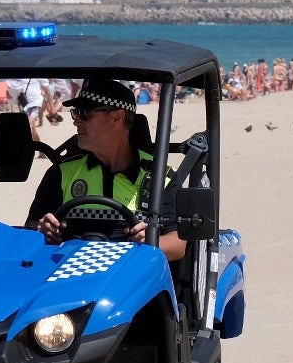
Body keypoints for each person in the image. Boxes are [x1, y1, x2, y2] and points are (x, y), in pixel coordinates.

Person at [26, 78, 185, 262]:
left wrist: (153, 241)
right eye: (75, 113)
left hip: (131, 281)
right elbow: (30, 228)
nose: (76, 121)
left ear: (117, 117)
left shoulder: (160, 176)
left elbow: (179, 243)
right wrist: (42, 230)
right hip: (69, 279)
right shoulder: (61, 173)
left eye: (85, 113)